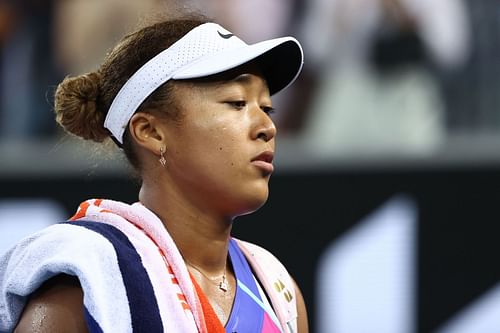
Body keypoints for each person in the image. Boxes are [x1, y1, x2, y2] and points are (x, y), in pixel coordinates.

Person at [0, 14, 308, 333]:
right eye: (236, 103)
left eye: (267, 108)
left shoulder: (278, 289)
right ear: (150, 131)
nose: (267, 127)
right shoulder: (87, 281)